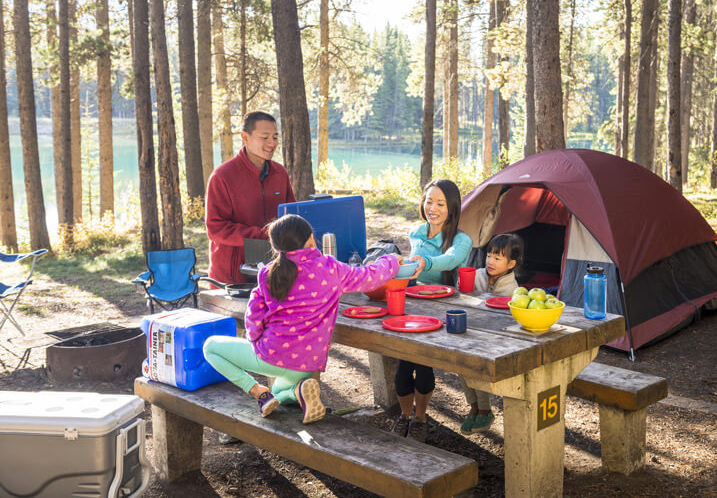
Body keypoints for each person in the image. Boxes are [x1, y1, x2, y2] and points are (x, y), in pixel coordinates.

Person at [203, 214, 400, 422]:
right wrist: (391, 260)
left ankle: (257, 391)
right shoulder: (332, 269)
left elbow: (253, 319)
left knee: (210, 347)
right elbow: (370, 277)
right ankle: (297, 391)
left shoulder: (267, 274)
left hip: (272, 355)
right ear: (311, 239)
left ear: (275, 245)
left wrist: (254, 341)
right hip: (308, 362)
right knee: (279, 393)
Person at [390, 179, 472, 443]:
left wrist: (426, 262)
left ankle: (421, 419)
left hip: (443, 310)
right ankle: (404, 416)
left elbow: (451, 260)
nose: (432, 208)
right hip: (413, 305)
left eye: (440, 203)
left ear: (452, 208)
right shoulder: (416, 233)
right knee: (403, 366)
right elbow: (412, 267)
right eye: (429, 201)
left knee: (423, 367)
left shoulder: (462, 240)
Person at [206, 111, 296, 285]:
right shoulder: (222, 176)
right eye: (265, 137)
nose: (272, 143)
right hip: (232, 277)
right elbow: (216, 229)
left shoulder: (280, 173)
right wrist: (264, 234)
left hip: (274, 271)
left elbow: (290, 216)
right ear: (245, 138)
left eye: (275, 137)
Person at [459, 233, 523, 435]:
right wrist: (462, 287)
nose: (490, 261)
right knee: (460, 361)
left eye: (497, 258)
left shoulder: (512, 288)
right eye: (489, 256)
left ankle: (485, 409)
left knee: (477, 366)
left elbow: (507, 319)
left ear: (511, 264)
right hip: (472, 330)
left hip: (496, 338)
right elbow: (463, 297)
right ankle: (474, 406)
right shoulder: (477, 274)